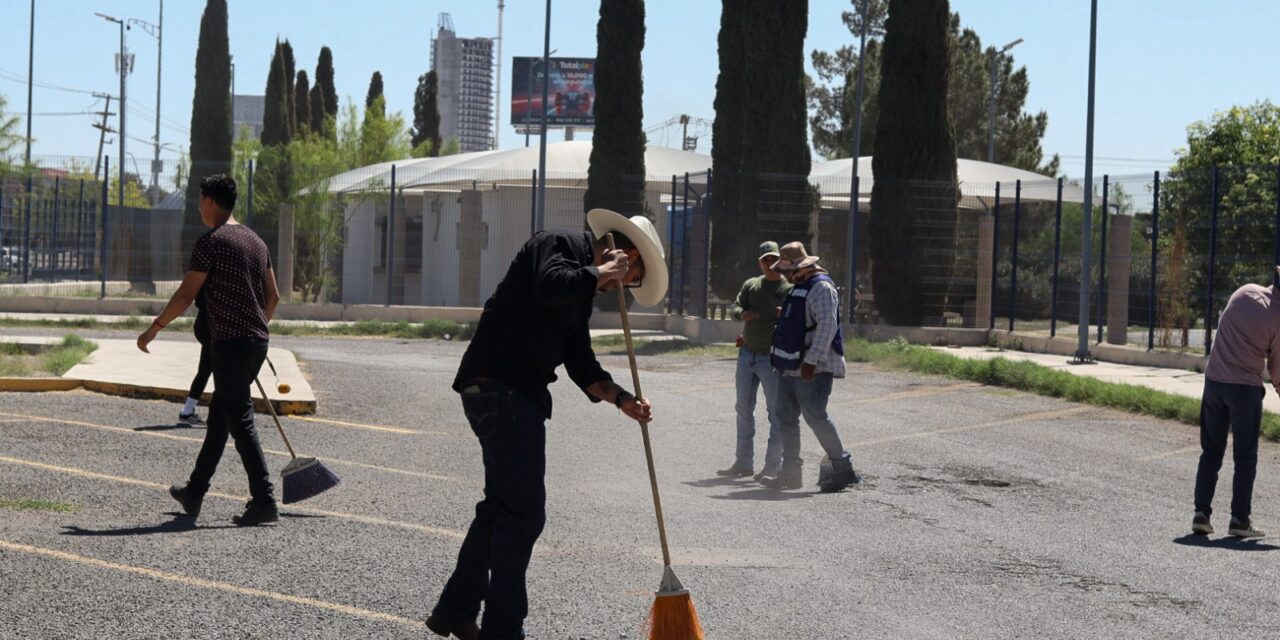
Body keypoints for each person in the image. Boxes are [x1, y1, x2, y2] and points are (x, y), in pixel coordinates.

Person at [426, 209, 668, 640]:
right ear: (626, 257)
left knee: (501, 509)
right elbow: (549, 285)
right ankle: (504, 630)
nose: (617, 290)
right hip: (503, 390)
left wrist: (622, 399)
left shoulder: (582, 293)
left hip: (510, 394)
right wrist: (600, 271)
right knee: (523, 515)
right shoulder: (558, 245)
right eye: (626, 281)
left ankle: (455, 609)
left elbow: (580, 362)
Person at [137, 174, 282, 527]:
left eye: (200, 199)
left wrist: (154, 328)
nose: (199, 206)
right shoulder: (255, 241)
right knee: (221, 416)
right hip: (256, 341)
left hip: (231, 344)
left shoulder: (211, 242)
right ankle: (195, 491)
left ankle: (264, 500)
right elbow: (274, 296)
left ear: (209, 201)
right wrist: (256, 327)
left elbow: (187, 295)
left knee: (240, 417)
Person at [760, 242, 859, 493]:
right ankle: (790, 474)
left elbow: (828, 326)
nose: (784, 276)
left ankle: (843, 469)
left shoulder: (822, 287)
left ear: (799, 268)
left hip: (812, 368)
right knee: (785, 418)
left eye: (785, 271)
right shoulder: (800, 287)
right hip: (790, 365)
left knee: (816, 417)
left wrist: (811, 361)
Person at [1191, 281, 1279, 538]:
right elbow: (1277, 369)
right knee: (1245, 457)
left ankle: (1201, 515)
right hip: (1244, 390)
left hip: (1214, 382)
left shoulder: (1244, 291)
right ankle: (1240, 519)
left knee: (1211, 452)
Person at [717, 241, 790, 481]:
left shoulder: (787, 288)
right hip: (747, 354)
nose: (770, 264)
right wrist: (742, 313)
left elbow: (799, 316)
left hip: (771, 358)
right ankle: (743, 463)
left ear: (780, 261)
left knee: (775, 413)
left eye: (774, 259)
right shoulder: (751, 285)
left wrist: (786, 314)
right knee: (743, 409)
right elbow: (735, 306)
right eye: (766, 260)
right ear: (759, 262)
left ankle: (772, 467)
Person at [177, 296, 211, 425]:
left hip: (207, 324)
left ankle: (187, 411)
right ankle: (222, 416)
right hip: (212, 324)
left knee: (205, 369)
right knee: (225, 369)